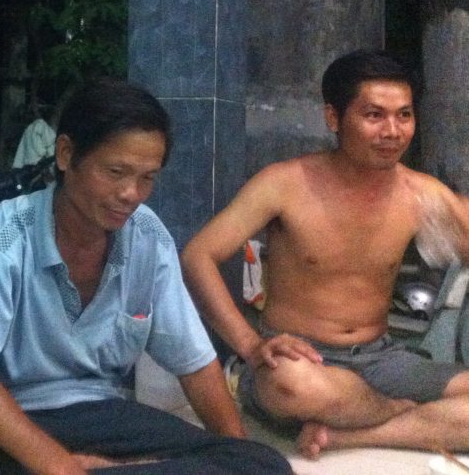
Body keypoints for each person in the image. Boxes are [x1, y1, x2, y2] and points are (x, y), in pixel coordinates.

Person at [0, 78, 290, 475]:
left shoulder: (149, 237)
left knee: (262, 463)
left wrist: (237, 456)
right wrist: (59, 466)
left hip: (107, 416)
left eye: (147, 178)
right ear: (66, 154)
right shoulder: (4, 234)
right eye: (116, 171)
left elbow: (195, 364)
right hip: (14, 417)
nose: (131, 193)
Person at [182, 48, 469, 459]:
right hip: (299, 359)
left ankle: (350, 433)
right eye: (374, 115)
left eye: (404, 115)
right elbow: (198, 256)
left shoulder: (421, 192)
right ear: (334, 118)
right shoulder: (284, 183)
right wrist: (249, 345)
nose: (393, 131)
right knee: (293, 386)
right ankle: (402, 414)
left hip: (383, 358)